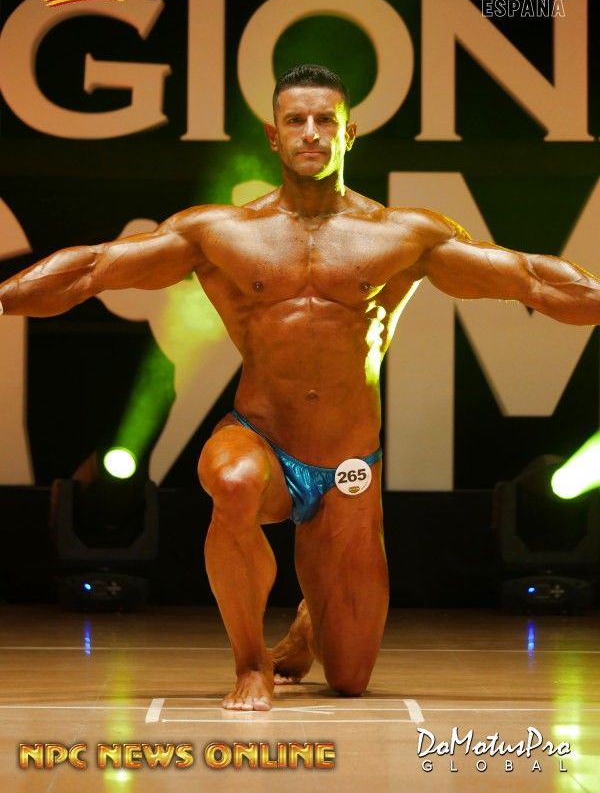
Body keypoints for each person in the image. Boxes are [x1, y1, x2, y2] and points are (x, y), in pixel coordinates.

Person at [1, 64, 599, 712]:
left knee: (349, 680)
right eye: (296, 120)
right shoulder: (221, 233)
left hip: (349, 466)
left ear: (349, 134)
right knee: (232, 482)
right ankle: (251, 663)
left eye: (325, 121)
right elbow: (93, 268)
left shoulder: (402, 235)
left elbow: (531, 279)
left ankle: (311, 623)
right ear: (273, 134)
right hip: (259, 437)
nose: (311, 132)